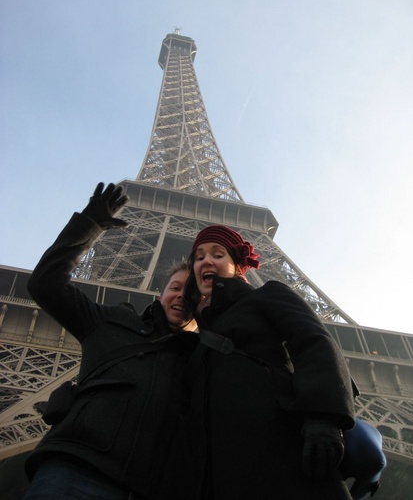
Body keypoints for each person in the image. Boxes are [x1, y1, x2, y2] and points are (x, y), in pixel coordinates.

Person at [23, 182, 198, 500]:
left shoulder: (203, 360)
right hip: (77, 471)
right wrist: (90, 223)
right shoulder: (111, 322)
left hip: (151, 489)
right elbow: (45, 283)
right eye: (175, 288)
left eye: (192, 292)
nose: (182, 297)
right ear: (160, 295)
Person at [167, 224, 356, 500]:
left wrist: (323, 417)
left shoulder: (265, 296)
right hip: (223, 476)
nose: (206, 261)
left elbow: (313, 341)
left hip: (282, 451)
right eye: (199, 257)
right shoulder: (198, 341)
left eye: (218, 254)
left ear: (237, 266)